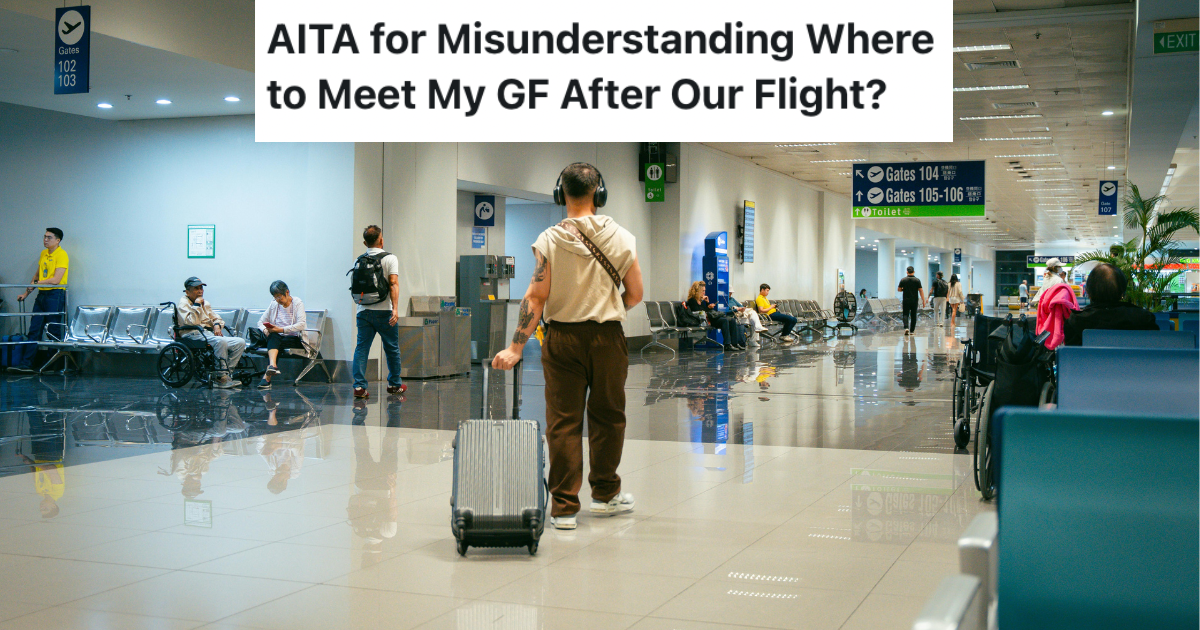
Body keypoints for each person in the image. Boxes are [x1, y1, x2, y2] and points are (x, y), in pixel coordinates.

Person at [491, 162, 643, 531]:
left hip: (561, 339)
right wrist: (604, 307)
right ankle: (605, 496)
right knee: (609, 417)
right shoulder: (622, 237)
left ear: (562, 194)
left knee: (563, 422)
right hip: (607, 339)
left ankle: (564, 508)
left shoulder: (548, 239)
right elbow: (636, 294)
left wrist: (515, 347)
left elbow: (535, 296)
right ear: (599, 193)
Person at [351, 225, 406, 400]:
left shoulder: (358, 260)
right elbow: (393, 284)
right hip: (384, 312)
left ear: (364, 242)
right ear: (381, 240)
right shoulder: (390, 258)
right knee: (391, 348)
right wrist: (395, 309)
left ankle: (359, 386)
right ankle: (394, 384)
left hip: (363, 311)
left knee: (361, 349)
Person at [12, 228, 69, 372]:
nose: (45, 240)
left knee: (53, 330)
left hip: (55, 295)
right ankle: (26, 364)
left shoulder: (62, 255)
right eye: (44, 237)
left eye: (49, 237)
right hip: (42, 295)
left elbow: (56, 280)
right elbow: (37, 276)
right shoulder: (44, 253)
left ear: (58, 240)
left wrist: (37, 284)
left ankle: (52, 365)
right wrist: (26, 293)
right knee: (34, 329)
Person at [1063, 263, 1158, 346]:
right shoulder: (1144, 319)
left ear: (1088, 292)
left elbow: (1072, 361)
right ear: (1123, 292)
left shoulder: (1075, 322)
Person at [178, 277, 246, 389]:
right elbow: (192, 322)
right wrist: (196, 306)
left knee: (240, 342)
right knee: (221, 341)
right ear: (187, 292)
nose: (200, 291)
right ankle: (221, 377)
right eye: (196, 288)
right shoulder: (183, 303)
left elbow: (216, 318)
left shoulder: (205, 303)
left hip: (205, 333)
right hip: (191, 334)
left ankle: (225, 374)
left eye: (201, 288)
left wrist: (217, 325)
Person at [255, 280, 307, 390]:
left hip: (294, 337)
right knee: (273, 337)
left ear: (287, 292)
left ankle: (268, 376)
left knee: (274, 340)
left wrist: (281, 329)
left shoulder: (297, 303)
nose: (278, 300)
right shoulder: (274, 304)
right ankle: (272, 366)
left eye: (280, 297)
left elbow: (301, 325)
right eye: (275, 297)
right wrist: (266, 330)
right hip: (277, 337)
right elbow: (260, 322)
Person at [685, 281, 745, 351]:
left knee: (732, 320)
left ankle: (735, 343)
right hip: (703, 321)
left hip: (708, 318)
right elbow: (699, 312)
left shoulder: (700, 301)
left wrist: (707, 304)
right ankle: (727, 344)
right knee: (724, 321)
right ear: (697, 291)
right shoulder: (692, 301)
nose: (704, 293)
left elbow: (704, 310)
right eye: (703, 291)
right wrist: (707, 307)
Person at [897, 266, 926, 336]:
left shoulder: (903, 280)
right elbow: (920, 290)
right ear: (914, 272)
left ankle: (906, 327)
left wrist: (904, 289)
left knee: (905, 314)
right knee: (913, 315)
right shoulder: (917, 280)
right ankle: (912, 331)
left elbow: (899, 289)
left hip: (906, 300)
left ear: (907, 272)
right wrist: (923, 300)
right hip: (914, 300)